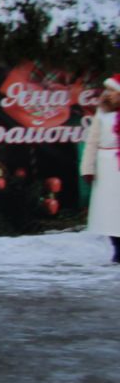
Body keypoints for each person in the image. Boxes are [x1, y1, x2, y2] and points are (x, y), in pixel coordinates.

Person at [84, 73, 120, 263]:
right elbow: (93, 139)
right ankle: (116, 246)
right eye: (108, 90)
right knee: (109, 211)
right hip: (106, 164)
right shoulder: (102, 111)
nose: (108, 94)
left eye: (113, 91)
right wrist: (87, 167)